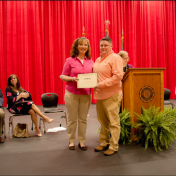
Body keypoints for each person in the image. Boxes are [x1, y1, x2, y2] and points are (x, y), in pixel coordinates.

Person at [60, 37, 94, 150]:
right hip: (72, 93)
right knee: (72, 119)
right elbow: (62, 76)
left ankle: (82, 141)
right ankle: (71, 141)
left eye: (85, 45)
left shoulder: (91, 61)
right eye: (81, 44)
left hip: (86, 93)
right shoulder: (70, 60)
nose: (83, 47)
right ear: (76, 46)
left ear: (88, 47)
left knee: (83, 119)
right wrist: (71, 79)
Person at [93, 37, 123, 156]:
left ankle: (114, 146)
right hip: (100, 95)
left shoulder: (115, 58)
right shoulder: (98, 59)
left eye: (105, 45)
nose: (103, 47)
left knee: (113, 122)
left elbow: (117, 76)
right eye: (101, 45)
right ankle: (104, 142)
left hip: (112, 94)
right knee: (103, 121)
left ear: (111, 46)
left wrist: (101, 84)